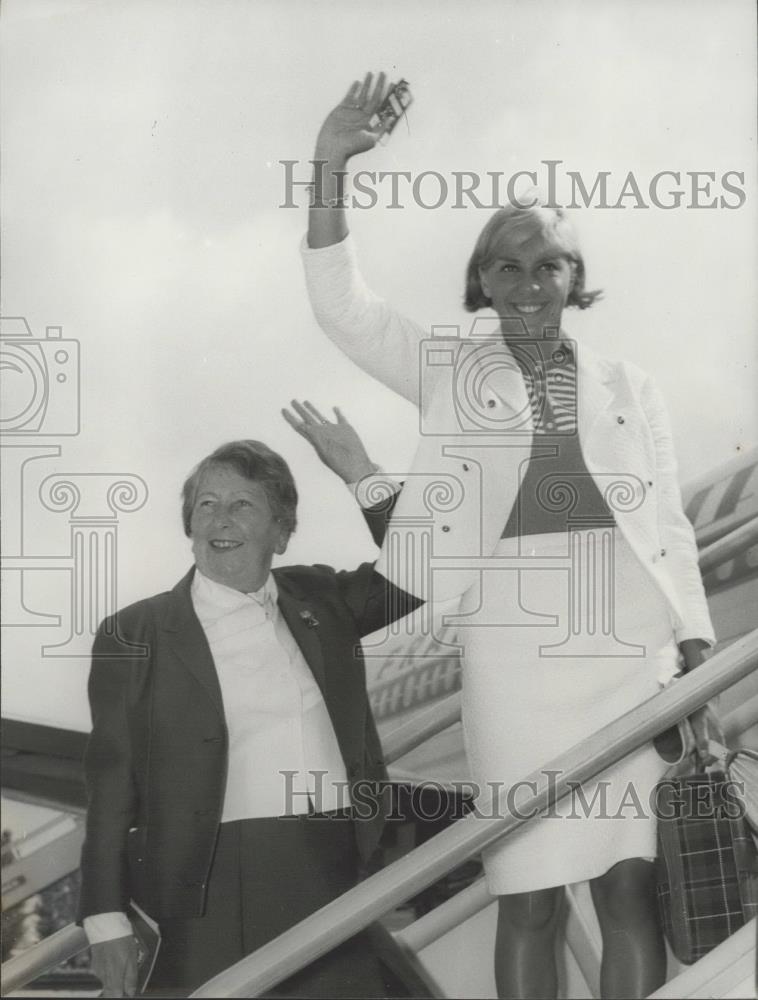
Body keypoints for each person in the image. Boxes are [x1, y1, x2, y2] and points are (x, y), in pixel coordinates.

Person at [300, 73, 719, 999]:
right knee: (527, 896)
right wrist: (331, 162)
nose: (531, 284)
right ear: (482, 282)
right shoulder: (448, 367)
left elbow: (667, 524)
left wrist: (696, 647)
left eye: (550, 265)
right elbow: (345, 309)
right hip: (514, 661)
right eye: (510, 266)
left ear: (576, 280)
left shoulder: (628, 385)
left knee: (630, 893)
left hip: (625, 651)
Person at [78, 403, 420, 999]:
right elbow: (110, 783)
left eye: (243, 504)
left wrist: (360, 471)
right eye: (206, 504)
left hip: (333, 866)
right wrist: (104, 919)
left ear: (281, 530)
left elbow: (427, 567)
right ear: (189, 525)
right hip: (212, 882)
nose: (220, 518)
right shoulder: (135, 632)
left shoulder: (322, 598)